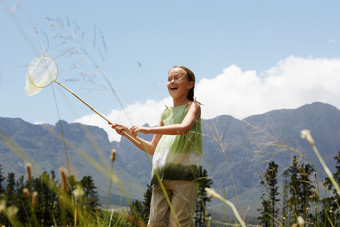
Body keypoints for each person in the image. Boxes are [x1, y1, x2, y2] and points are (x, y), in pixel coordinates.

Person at [111, 66, 202, 227]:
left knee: (179, 224)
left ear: (190, 85)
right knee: (154, 223)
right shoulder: (165, 114)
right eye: (169, 79)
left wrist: (147, 129)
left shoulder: (193, 107)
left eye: (177, 78)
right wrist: (126, 133)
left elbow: (182, 128)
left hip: (185, 176)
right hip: (161, 176)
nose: (172, 81)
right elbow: (153, 148)